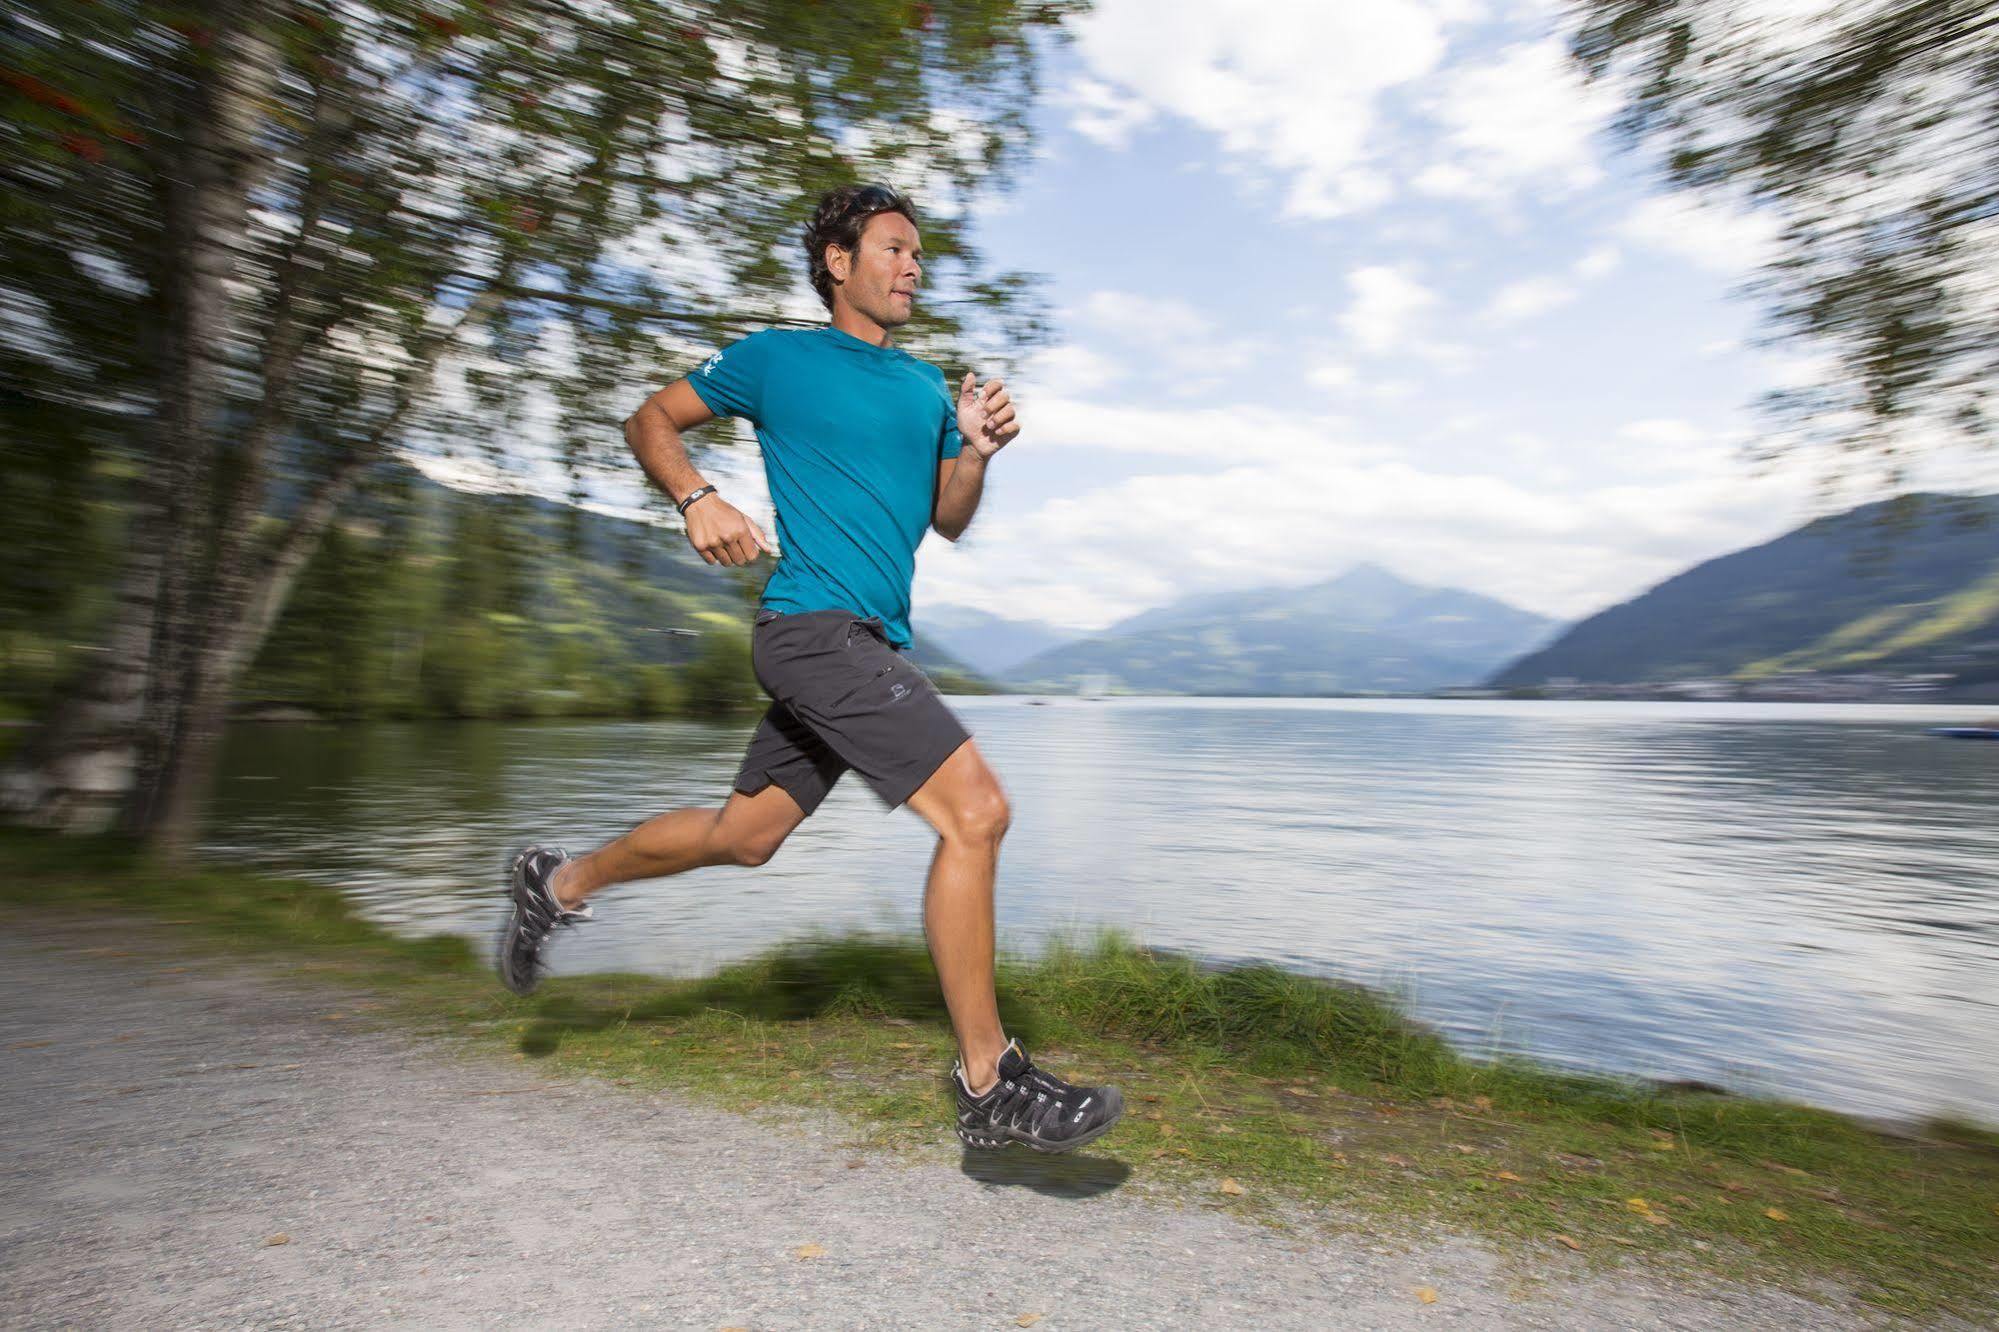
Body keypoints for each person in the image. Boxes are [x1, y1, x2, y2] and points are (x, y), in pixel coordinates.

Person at [497, 184, 1122, 1154]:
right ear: (838, 260)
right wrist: (697, 497)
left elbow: (946, 519)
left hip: (860, 643)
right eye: (894, 248)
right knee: (977, 813)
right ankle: (989, 1081)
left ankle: (559, 883)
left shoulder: (923, 388)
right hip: (810, 633)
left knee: (743, 836)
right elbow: (650, 420)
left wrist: (978, 449)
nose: (913, 265)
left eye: (919, 254)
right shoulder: (775, 359)